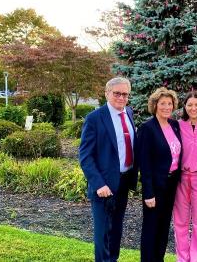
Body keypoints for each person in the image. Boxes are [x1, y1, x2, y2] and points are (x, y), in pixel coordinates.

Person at [79, 77, 138, 262]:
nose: (121, 97)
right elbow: (86, 157)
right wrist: (98, 184)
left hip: (123, 182)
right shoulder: (94, 118)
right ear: (107, 93)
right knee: (102, 233)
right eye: (117, 93)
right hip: (104, 186)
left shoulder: (128, 113)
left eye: (125, 94)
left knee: (116, 230)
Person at [137, 87, 182, 262]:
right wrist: (148, 192)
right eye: (162, 103)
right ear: (155, 105)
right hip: (154, 187)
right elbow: (144, 163)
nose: (166, 107)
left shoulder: (174, 125)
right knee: (151, 227)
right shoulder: (147, 128)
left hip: (171, 185)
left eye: (169, 103)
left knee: (163, 227)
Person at [173, 90, 197, 262]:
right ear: (185, 107)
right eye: (190, 104)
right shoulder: (177, 126)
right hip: (181, 178)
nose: (193, 108)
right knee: (180, 221)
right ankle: (182, 258)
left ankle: (195, 258)